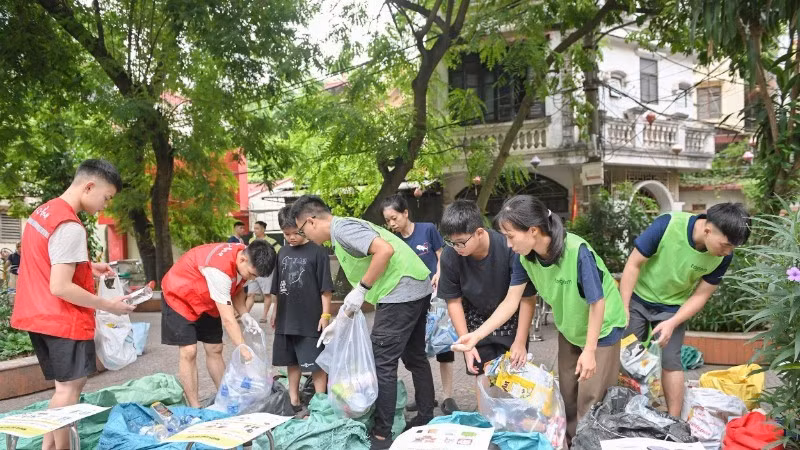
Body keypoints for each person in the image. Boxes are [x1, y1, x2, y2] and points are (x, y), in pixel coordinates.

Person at [452, 195, 627, 443]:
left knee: (591, 397)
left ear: (533, 231)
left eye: (511, 236)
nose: (508, 244)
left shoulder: (577, 251)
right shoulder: (526, 258)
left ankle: (590, 444)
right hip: (570, 327)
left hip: (602, 330)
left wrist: (590, 350)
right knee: (566, 393)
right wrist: (476, 335)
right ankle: (568, 442)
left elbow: (597, 302)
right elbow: (511, 302)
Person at [289, 195, 434, 450]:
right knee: (414, 357)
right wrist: (342, 319)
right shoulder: (344, 232)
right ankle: (425, 417)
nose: (305, 237)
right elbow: (361, 285)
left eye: (302, 231)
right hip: (415, 286)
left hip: (400, 291)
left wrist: (362, 289)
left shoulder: (342, 229)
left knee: (382, 363)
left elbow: (384, 251)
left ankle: (382, 435)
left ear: (311, 222)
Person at [11, 159, 135, 450]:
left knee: (63, 392)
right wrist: (108, 305)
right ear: (89, 186)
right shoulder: (70, 226)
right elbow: (61, 286)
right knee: (69, 394)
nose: (105, 205)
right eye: (106, 197)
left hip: (37, 314)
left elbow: (47, 261)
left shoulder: (42, 212)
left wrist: (87, 266)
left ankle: (48, 447)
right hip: (62, 319)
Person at [619, 202, 750, 417]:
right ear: (707, 230)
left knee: (672, 360)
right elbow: (633, 263)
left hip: (673, 307)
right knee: (627, 357)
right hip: (638, 298)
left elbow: (701, 295)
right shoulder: (668, 225)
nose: (728, 252)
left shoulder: (723, 256)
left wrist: (672, 322)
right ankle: (623, 412)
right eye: (725, 245)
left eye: (733, 247)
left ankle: (673, 420)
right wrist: (624, 307)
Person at [160, 239, 276, 407]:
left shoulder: (245, 255)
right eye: (252, 275)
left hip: (208, 297)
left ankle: (225, 399)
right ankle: (195, 405)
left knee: (215, 348)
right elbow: (228, 320)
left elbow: (235, 288)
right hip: (180, 295)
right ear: (243, 260)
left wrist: (245, 315)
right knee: (189, 351)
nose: (252, 279)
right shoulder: (219, 271)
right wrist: (245, 351)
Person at [436, 200, 535, 380]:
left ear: (479, 232)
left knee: (513, 379)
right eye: (451, 242)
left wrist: (520, 342)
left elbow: (527, 298)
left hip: (511, 319)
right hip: (475, 320)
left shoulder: (510, 248)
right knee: (483, 378)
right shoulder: (450, 255)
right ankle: (485, 410)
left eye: (460, 242)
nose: (456, 247)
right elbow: (454, 301)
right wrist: (467, 344)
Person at [381, 194, 459, 415]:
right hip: (413, 301)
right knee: (418, 352)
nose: (392, 223)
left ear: (406, 213)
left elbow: (442, 255)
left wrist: (439, 274)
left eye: (394, 218)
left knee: (444, 345)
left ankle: (448, 396)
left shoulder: (427, 230)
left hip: (436, 295)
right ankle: (425, 397)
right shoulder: (394, 241)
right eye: (388, 221)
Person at [270, 206, 333, 418]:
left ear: (302, 225)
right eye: (286, 234)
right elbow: (278, 287)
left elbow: (326, 289)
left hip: (310, 318)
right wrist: (275, 312)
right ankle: (294, 400)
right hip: (287, 318)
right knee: (292, 361)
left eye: (294, 232)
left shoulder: (318, 251)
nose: (291, 238)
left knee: (317, 362)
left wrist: (325, 316)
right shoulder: (282, 252)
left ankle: (320, 401)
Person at [245, 220, 282, 322]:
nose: (255, 230)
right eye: (254, 228)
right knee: (250, 294)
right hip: (252, 272)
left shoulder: (271, 241)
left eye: (257, 228)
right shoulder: (251, 240)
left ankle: (264, 316)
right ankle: (245, 315)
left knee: (267, 294)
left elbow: (279, 253)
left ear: (263, 229)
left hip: (266, 272)